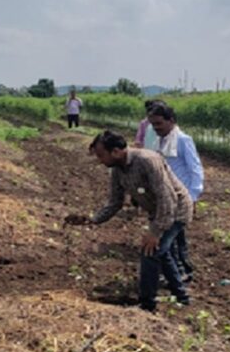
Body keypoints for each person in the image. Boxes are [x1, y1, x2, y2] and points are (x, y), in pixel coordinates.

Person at [65, 130, 192, 312]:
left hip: (176, 211)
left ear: (116, 151)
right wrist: (93, 220)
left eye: (101, 155)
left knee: (150, 251)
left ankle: (147, 305)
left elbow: (167, 198)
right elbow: (115, 202)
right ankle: (182, 296)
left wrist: (155, 232)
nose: (100, 161)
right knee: (161, 252)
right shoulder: (117, 169)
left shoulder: (148, 160)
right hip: (158, 212)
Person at [147, 103, 204, 283]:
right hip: (166, 196)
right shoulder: (160, 141)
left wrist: (193, 196)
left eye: (159, 124)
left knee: (170, 239)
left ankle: (179, 273)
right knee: (174, 238)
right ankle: (179, 271)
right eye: (153, 125)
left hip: (181, 197)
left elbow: (195, 169)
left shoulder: (182, 140)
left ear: (171, 121)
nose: (156, 128)